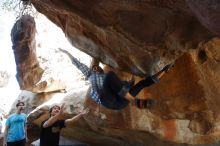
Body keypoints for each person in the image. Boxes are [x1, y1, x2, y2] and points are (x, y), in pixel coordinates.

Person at [59, 48, 174, 110]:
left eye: (97, 66)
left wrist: (130, 83)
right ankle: (136, 102)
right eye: (93, 67)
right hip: (113, 102)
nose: (95, 68)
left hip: (118, 100)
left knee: (141, 84)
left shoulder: (109, 80)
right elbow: (78, 64)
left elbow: (121, 86)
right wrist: (67, 53)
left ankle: (164, 71)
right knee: (110, 76)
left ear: (100, 68)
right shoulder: (90, 75)